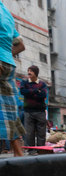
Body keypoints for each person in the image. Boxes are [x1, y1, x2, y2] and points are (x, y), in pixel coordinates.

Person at [0, 1, 26, 156]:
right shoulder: (5, 12)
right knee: (9, 109)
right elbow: (21, 45)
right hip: (8, 64)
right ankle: (19, 154)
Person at [20, 65, 48, 152]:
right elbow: (22, 92)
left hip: (40, 112)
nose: (28, 72)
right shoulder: (24, 82)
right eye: (28, 70)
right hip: (28, 112)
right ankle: (31, 151)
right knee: (29, 133)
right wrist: (36, 91)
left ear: (36, 73)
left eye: (31, 71)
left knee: (41, 133)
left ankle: (41, 151)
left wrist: (29, 93)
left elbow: (43, 95)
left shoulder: (42, 84)